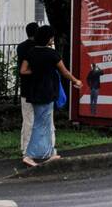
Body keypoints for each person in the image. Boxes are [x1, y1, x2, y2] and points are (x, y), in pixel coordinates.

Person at [20, 25, 82, 167]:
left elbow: (23, 71)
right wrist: (76, 81)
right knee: (40, 124)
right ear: (48, 38)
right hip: (47, 92)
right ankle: (29, 155)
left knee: (45, 123)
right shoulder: (52, 54)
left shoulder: (31, 52)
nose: (53, 39)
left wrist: (36, 71)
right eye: (52, 37)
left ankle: (50, 153)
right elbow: (64, 72)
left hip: (34, 91)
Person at [17, 22, 39, 158]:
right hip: (38, 87)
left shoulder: (21, 47)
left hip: (25, 87)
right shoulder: (38, 49)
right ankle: (33, 149)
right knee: (39, 120)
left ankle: (24, 147)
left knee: (27, 119)